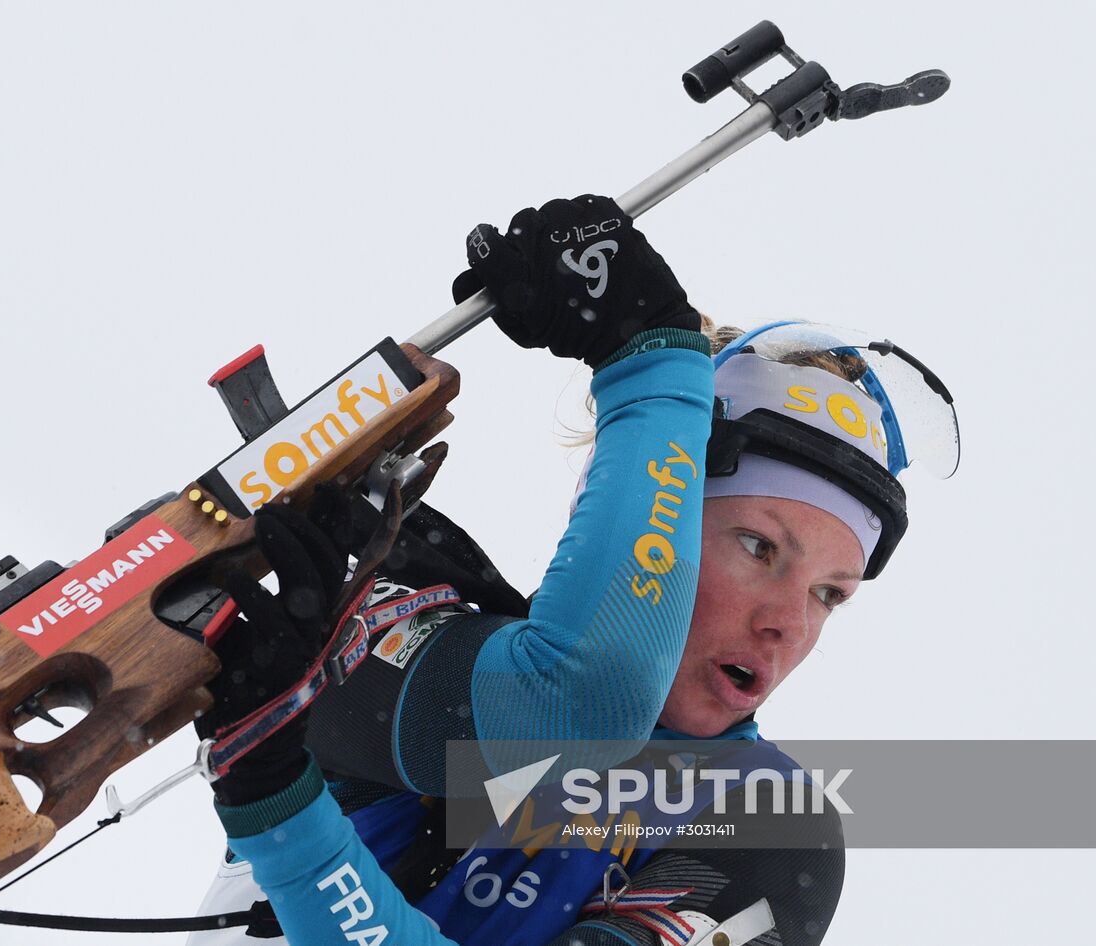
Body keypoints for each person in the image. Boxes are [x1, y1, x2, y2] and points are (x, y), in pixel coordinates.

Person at [186, 194, 959, 945]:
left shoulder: (770, 818)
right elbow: (573, 702)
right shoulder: (435, 627)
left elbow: (578, 706)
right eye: (760, 547)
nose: (788, 624)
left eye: (829, 594)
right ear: (647, 510)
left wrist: (649, 364)